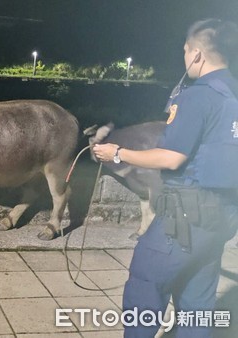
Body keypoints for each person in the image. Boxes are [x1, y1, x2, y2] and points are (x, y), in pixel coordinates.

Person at [94, 19, 238, 337]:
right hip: (222, 218)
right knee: (197, 302)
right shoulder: (233, 94)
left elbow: (172, 156)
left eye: (186, 52)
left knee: (145, 288)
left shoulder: (198, 96)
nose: (185, 59)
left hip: (185, 218)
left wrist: (117, 153)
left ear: (197, 54)